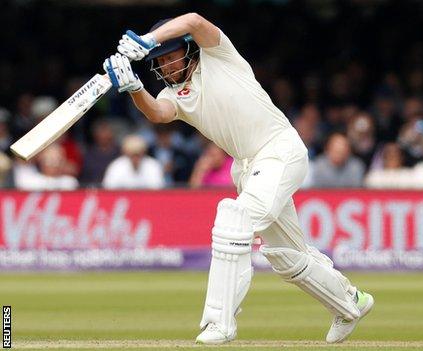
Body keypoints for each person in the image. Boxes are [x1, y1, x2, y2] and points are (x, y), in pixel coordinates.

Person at [104, 13, 373, 344]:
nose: (166, 66)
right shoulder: (176, 96)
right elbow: (157, 113)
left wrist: (149, 38)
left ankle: (220, 322)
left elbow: (193, 20)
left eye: (169, 56)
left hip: (278, 150)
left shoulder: (219, 55)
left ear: (186, 51)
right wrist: (134, 88)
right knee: (285, 255)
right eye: (159, 61)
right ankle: (351, 304)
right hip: (246, 167)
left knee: (235, 219)